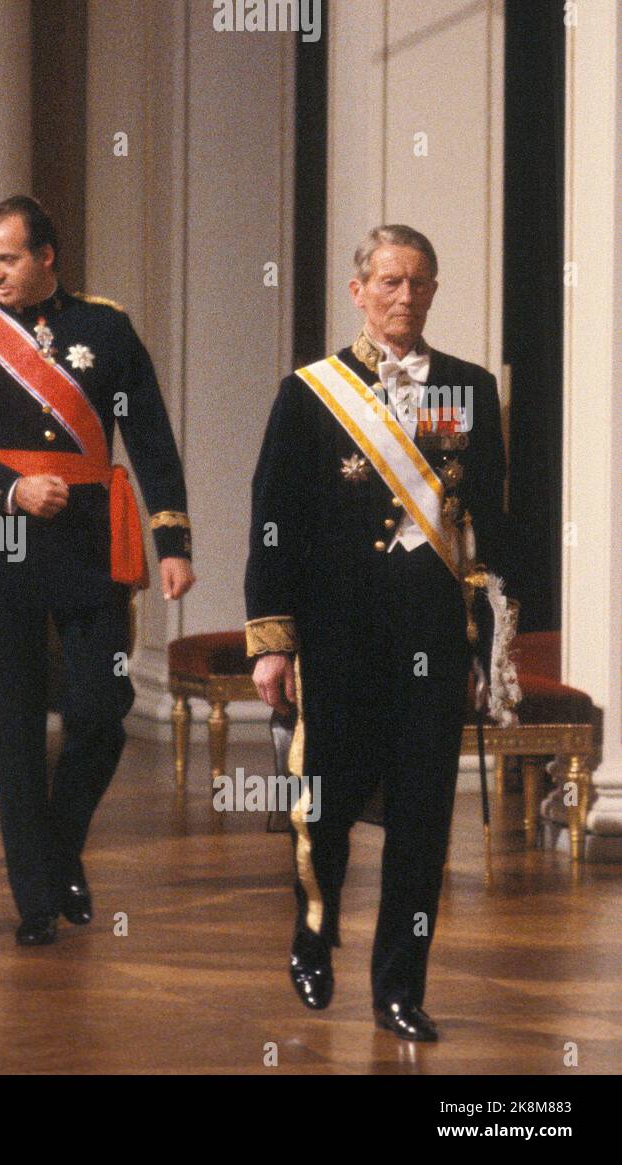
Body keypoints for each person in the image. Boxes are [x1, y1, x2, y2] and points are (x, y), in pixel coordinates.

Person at [245, 225, 515, 1042]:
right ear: (358, 290)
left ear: (434, 290)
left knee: (425, 820)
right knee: (323, 805)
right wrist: (272, 640)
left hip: (431, 634)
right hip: (339, 635)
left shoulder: (469, 390)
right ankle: (314, 931)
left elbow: (491, 529)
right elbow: (273, 523)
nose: (405, 297)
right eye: (390, 282)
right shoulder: (310, 393)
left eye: (420, 283)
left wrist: (487, 643)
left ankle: (400, 985)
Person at [0, 196, 195, 946]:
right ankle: (34, 898)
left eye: (7, 258)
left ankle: (61, 841)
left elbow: (151, 437)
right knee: (11, 725)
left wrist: (173, 542)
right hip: (1, 542)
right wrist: (8, 487)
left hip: (88, 539)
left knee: (103, 706)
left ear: (47, 256)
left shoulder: (107, 327)